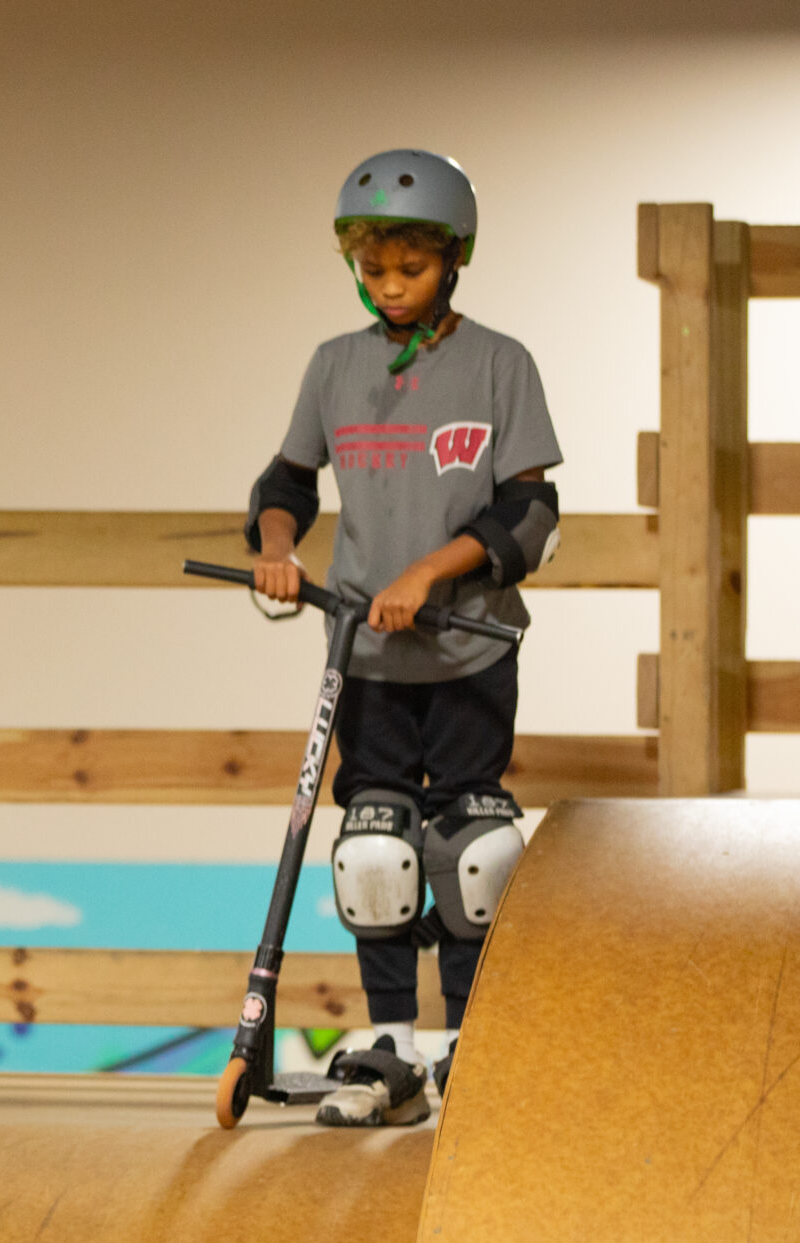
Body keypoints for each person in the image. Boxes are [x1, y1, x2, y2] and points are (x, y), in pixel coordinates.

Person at [246, 148, 561, 1124]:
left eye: (410, 271)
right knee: (374, 852)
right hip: (366, 654)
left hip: (467, 643)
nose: (390, 288)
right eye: (374, 270)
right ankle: (391, 1052)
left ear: (452, 260)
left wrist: (426, 574)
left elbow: (530, 513)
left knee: (471, 851)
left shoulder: (499, 364)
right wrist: (274, 548)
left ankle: (468, 1044)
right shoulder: (334, 365)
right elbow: (286, 482)